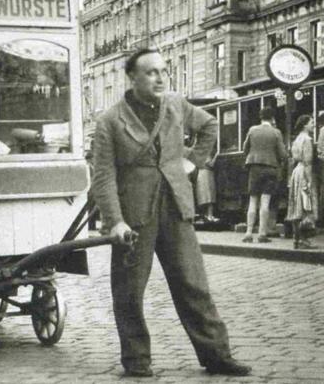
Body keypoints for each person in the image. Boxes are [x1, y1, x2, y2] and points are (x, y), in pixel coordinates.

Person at [92, 48, 251, 378]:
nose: (160, 77)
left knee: (193, 283)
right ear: (132, 78)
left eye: (163, 70)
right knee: (129, 290)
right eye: (151, 72)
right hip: (133, 216)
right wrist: (115, 221)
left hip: (176, 207)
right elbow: (103, 176)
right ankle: (136, 359)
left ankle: (217, 355)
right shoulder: (110, 121)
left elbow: (209, 126)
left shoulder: (176, 104)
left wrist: (192, 161)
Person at [241, 107, 287, 243]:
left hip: (254, 168)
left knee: (253, 200)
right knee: (265, 201)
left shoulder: (252, 130)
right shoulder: (276, 132)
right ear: (272, 118)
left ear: (260, 118)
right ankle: (262, 233)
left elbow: (245, 148)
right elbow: (283, 154)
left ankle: (248, 233)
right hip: (271, 168)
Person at [286, 115, 318, 250]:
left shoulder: (297, 139)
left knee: (296, 205)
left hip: (296, 172)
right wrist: (310, 182)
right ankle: (304, 239)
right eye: (311, 123)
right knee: (306, 205)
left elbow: (293, 159)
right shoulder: (308, 139)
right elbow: (308, 162)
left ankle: (296, 238)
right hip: (304, 172)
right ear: (305, 125)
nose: (314, 125)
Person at [196, 148, 219, 223]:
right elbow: (211, 164)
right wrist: (216, 155)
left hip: (203, 174)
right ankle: (210, 215)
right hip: (207, 174)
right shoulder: (206, 155)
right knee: (209, 196)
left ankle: (206, 215)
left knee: (204, 196)